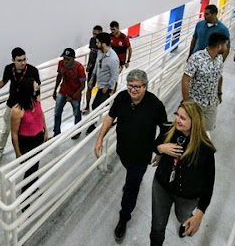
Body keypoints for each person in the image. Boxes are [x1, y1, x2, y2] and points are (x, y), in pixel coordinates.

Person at [93, 69, 168, 241]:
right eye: (130, 86)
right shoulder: (121, 98)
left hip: (141, 157)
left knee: (131, 188)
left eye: (138, 87)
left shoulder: (154, 105)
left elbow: (165, 128)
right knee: (130, 177)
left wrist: (159, 151)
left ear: (145, 87)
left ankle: (123, 218)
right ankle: (132, 183)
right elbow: (110, 118)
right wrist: (99, 139)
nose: (133, 90)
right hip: (123, 151)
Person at [150, 102, 216, 245]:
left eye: (183, 118)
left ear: (195, 121)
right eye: (177, 115)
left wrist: (200, 213)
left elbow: (208, 184)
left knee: (183, 216)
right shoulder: (168, 130)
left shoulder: (205, 149)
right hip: (161, 186)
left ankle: (185, 219)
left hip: (188, 196)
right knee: (157, 226)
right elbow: (153, 146)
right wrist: (161, 149)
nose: (178, 120)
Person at [0, 47, 41, 166]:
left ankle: (24, 152)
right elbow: (3, 81)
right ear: (13, 60)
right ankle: (0, 151)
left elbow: (37, 88)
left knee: (24, 132)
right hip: (12, 104)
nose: (23, 63)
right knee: (6, 131)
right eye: (19, 60)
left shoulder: (32, 71)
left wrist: (36, 105)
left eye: (24, 59)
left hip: (27, 106)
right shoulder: (9, 69)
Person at [182, 32, 229, 131]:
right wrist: (187, 103)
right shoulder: (196, 58)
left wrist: (219, 93)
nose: (226, 47)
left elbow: (219, 76)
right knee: (192, 129)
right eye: (225, 45)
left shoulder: (219, 58)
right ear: (219, 46)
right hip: (196, 103)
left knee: (207, 129)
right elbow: (185, 80)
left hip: (211, 102)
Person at [10, 78, 48, 194]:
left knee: (36, 165)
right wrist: (17, 153)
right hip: (26, 143)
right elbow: (14, 133)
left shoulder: (36, 99)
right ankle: (25, 196)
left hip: (38, 137)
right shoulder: (17, 110)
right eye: (35, 84)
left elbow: (41, 115)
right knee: (30, 169)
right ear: (28, 89)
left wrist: (45, 131)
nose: (37, 85)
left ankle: (34, 186)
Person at [85, 32, 120, 134]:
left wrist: (108, 87)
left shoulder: (113, 59)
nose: (96, 44)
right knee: (107, 104)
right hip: (99, 83)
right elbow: (97, 65)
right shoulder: (100, 53)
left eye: (98, 42)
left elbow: (115, 75)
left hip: (106, 87)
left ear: (103, 43)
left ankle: (92, 125)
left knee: (96, 106)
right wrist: (92, 79)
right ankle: (112, 119)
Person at [52, 48, 86, 139]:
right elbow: (59, 76)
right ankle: (56, 133)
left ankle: (77, 131)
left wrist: (73, 97)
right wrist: (55, 90)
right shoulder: (61, 64)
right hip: (63, 91)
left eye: (68, 59)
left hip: (75, 93)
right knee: (57, 112)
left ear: (73, 58)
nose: (65, 61)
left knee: (76, 113)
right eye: (64, 58)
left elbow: (83, 85)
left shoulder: (79, 68)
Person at [84, 25, 103, 113]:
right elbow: (91, 52)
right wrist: (88, 64)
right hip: (92, 68)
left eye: (96, 34)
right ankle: (87, 106)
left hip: (101, 69)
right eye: (93, 33)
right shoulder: (92, 40)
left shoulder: (104, 43)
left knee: (101, 88)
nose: (94, 35)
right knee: (89, 87)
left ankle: (101, 106)